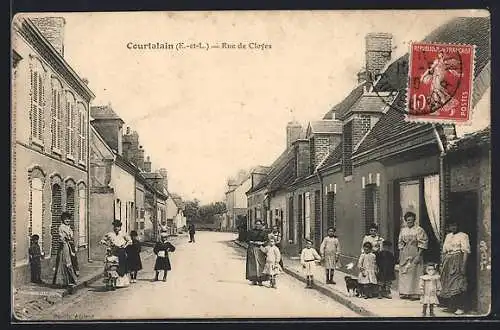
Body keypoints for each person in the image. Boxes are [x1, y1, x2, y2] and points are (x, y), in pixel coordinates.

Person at [439, 222, 470, 315]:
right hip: (448, 260)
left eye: (455, 225)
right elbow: (444, 251)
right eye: (451, 225)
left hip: (457, 259)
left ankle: (461, 307)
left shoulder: (463, 236)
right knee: (449, 284)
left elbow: (465, 251)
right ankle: (451, 307)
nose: (453, 227)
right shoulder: (448, 236)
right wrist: (442, 263)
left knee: (458, 284)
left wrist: (463, 265)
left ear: (458, 226)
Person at [398, 211, 429, 300]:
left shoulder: (419, 230)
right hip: (405, 252)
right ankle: (405, 292)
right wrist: (401, 253)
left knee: (414, 272)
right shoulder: (403, 230)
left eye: (411, 221)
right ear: (405, 221)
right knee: (405, 271)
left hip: (415, 251)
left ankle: (415, 293)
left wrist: (419, 255)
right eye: (408, 221)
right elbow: (400, 242)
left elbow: (422, 243)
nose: (409, 222)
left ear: (414, 220)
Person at [100, 220, 131, 288]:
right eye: (115, 227)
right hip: (113, 252)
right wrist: (106, 244)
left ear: (120, 227)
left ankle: (121, 282)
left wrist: (124, 246)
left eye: (118, 227)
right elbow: (102, 240)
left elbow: (129, 241)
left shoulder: (123, 234)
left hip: (121, 252)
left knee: (121, 266)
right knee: (111, 265)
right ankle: (111, 280)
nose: (116, 228)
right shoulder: (110, 234)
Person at [52, 212, 79, 290]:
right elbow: (62, 237)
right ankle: (64, 281)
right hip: (64, 246)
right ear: (63, 219)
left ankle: (69, 281)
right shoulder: (61, 227)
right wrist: (65, 238)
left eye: (68, 219)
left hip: (70, 245)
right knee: (65, 262)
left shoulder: (69, 227)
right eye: (66, 219)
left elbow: (71, 236)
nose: (67, 220)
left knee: (71, 261)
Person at [245, 220, 269, 286]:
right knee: (252, 265)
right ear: (255, 225)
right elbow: (247, 240)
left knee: (261, 264)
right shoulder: (251, 232)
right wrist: (252, 242)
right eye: (256, 224)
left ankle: (260, 280)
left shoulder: (264, 233)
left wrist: (262, 243)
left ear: (261, 225)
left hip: (260, 249)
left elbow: (267, 241)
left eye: (259, 224)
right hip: (252, 249)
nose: (258, 225)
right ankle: (254, 280)